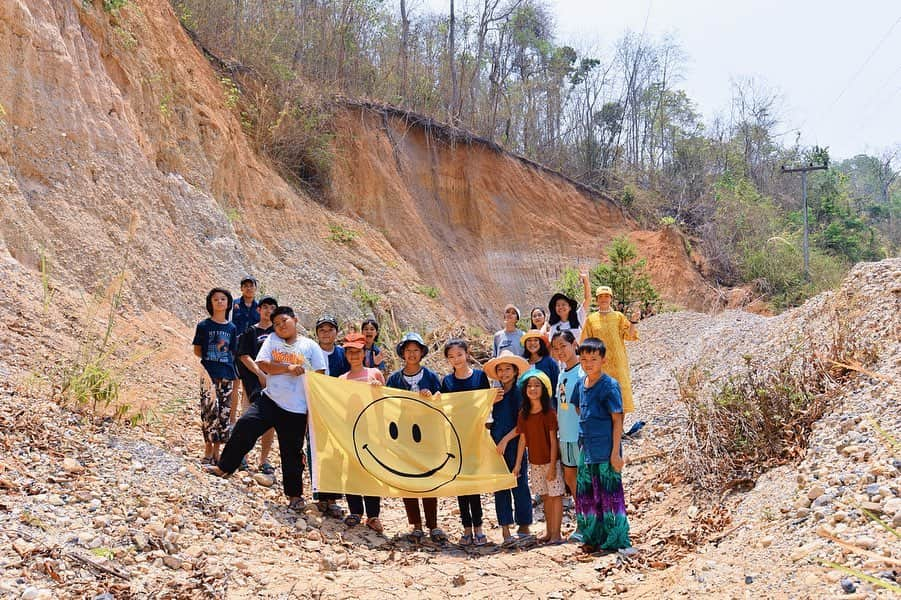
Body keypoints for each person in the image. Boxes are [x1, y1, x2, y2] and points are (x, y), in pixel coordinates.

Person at [204, 306, 326, 511]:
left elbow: (320, 374)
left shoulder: (310, 346)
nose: (280, 326)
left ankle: (295, 495)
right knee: (245, 425)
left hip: (296, 409)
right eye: (276, 324)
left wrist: (311, 405)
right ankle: (224, 467)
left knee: (292, 453)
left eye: (284, 321)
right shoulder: (272, 341)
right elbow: (263, 364)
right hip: (270, 400)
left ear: (295, 320)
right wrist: (287, 368)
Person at [570, 338, 631, 553]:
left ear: (603, 360)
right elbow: (579, 408)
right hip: (586, 449)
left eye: (593, 359)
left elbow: (617, 419)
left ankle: (615, 540)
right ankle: (593, 538)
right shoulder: (580, 383)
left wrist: (616, 453)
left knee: (610, 495)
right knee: (587, 495)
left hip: (606, 450)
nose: (588, 363)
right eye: (584, 359)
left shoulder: (610, 385)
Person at [385, 332, 446, 543]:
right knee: (407, 479)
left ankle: (433, 525)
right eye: (408, 350)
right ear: (403, 353)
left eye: (415, 350)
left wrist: (433, 398)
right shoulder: (394, 378)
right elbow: (386, 403)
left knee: (428, 478)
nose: (412, 354)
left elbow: (441, 401)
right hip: (403, 436)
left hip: (427, 435)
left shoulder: (430, 376)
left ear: (421, 353)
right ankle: (416, 525)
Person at [440, 339, 490, 546]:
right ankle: (466, 528)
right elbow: (442, 407)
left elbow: (486, 405)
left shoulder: (479, 377)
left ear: (467, 354)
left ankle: (478, 527)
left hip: (475, 436)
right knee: (460, 483)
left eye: (459, 355)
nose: (456, 360)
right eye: (451, 357)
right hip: (455, 437)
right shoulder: (447, 382)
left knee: (473, 483)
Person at [484, 350, 533, 544]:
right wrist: (489, 403)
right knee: (500, 487)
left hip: (515, 445)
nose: (504, 373)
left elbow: (523, 424)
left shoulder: (520, 393)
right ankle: (505, 529)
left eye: (508, 369)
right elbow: (487, 420)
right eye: (500, 370)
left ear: (515, 371)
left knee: (519, 484)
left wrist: (505, 440)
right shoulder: (495, 394)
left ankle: (524, 526)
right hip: (496, 447)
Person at [339, 332, 385, 534]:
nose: (354, 356)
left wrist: (378, 389)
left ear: (364, 352)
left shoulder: (374, 374)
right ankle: (355, 511)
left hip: (371, 429)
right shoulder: (342, 379)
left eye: (357, 351)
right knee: (351, 471)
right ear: (346, 355)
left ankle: (373, 515)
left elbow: (385, 402)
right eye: (350, 352)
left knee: (371, 472)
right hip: (350, 429)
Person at [512, 369, 565, 544]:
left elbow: (553, 441)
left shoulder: (549, 413)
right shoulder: (523, 414)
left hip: (551, 461)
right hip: (535, 462)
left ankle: (557, 534)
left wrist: (551, 466)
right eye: (529, 386)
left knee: (556, 496)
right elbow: (522, 439)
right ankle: (549, 531)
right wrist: (518, 464)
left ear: (544, 389)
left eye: (537, 386)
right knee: (545, 497)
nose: (533, 389)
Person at [192, 288, 239, 465]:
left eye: (223, 299)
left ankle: (218, 451)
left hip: (226, 375)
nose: (219, 302)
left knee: (224, 413)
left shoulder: (232, 328)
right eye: (215, 299)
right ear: (210, 303)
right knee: (208, 411)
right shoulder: (204, 326)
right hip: (208, 374)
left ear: (228, 303)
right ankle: (208, 449)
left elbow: (233, 351)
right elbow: (197, 350)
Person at [235, 295, 278, 475]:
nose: (268, 311)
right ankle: (241, 456)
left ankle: (264, 460)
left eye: (272, 308)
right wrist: (259, 374)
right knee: (247, 419)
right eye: (265, 307)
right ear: (258, 310)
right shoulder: (250, 332)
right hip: (252, 383)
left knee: (269, 423)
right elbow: (244, 355)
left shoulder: (279, 335)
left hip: (275, 384)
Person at [579, 286, 639, 413]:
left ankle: (620, 429)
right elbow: (585, 342)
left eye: (606, 296)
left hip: (618, 363)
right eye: (600, 296)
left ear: (611, 298)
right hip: (600, 365)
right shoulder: (591, 319)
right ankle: (607, 429)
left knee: (620, 394)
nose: (603, 299)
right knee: (603, 394)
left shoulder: (618, 317)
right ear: (597, 299)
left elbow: (629, 335)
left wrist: (633, 321)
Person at [311, 315, 348, 518]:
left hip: (337, 411)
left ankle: (333, 498)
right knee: (316, 451)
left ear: (336, 333)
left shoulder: (343, 354)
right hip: (314, 409)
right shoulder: (309, 351)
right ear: (317, 333)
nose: (326, 333)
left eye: (330, 329)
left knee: (335, 453)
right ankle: (319, 496)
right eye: (322, 330)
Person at [550, 330, 585, 540]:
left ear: (574, 345)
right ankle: (581, 523)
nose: (560, 351)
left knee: (585, 481)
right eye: (556, 348)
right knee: (571, 480)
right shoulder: (562, 374)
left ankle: (591, 524)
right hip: (565, 437)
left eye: (564, 346)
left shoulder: (582, 372)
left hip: (579, 436)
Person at [547, 268, 592, 341]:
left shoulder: (578, 316)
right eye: (558, 305)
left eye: (563, 304)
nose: (560, 307)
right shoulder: (554, 327)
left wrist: (585, 280)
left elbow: (588, 299)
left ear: (570, 307)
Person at [520, 330, 559, 408]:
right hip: (526, 407)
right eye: (529, 340)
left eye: (535, 340)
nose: (532, 343)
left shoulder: (549, 362)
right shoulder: (522, 362)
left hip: (547, 406)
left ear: (540, 343)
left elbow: (556, 385)